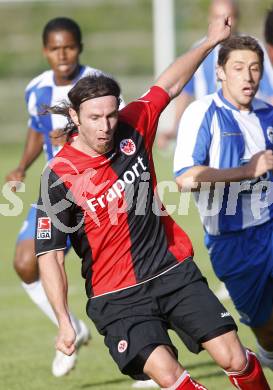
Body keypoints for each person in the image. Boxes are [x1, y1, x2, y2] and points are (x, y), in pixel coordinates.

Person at [34, 16, 270, 389]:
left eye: (112, 115)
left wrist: (210, 42)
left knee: (236, 358)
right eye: (95, 118)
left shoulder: (132, 125)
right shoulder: (58, 175)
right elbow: (50, 255)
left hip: (172, 272)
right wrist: (64, 319)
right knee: (170, 376)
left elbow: (170, 84)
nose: (106, 126)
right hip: (117, 297)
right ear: (75, 117)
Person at [4, 17, 112, 377]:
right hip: (56, 191)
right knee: (25, 262)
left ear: (80, 47)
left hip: (98, 190)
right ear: (45, 51)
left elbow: (112, 129)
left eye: (68, 47)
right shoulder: (36, 89)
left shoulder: (96, 83)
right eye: (55, 48)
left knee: (113, 278)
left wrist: (73, 138)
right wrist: (21, 167)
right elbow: (37, 131)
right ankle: (70, 327)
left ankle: (147, 363)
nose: (62, 54)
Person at [174, 34, 273, 375]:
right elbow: (186, 178)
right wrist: (247, 171)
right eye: (238, 68)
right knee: (267, 330)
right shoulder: (202, 113)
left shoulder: (268, 113)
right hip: (234, 241)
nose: (248, 76)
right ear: (219, 72)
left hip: (271, 224)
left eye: (255, 68)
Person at [157, 0, 273, 151]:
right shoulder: (199, 50)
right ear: (210, 18)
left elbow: (270, 92)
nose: (225, 22)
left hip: (246, 130)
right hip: (209, 129)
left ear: (238, 18)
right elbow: (186, 92)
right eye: (218, 17)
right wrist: (175, 128)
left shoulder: (254, 49)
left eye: (230, 17)